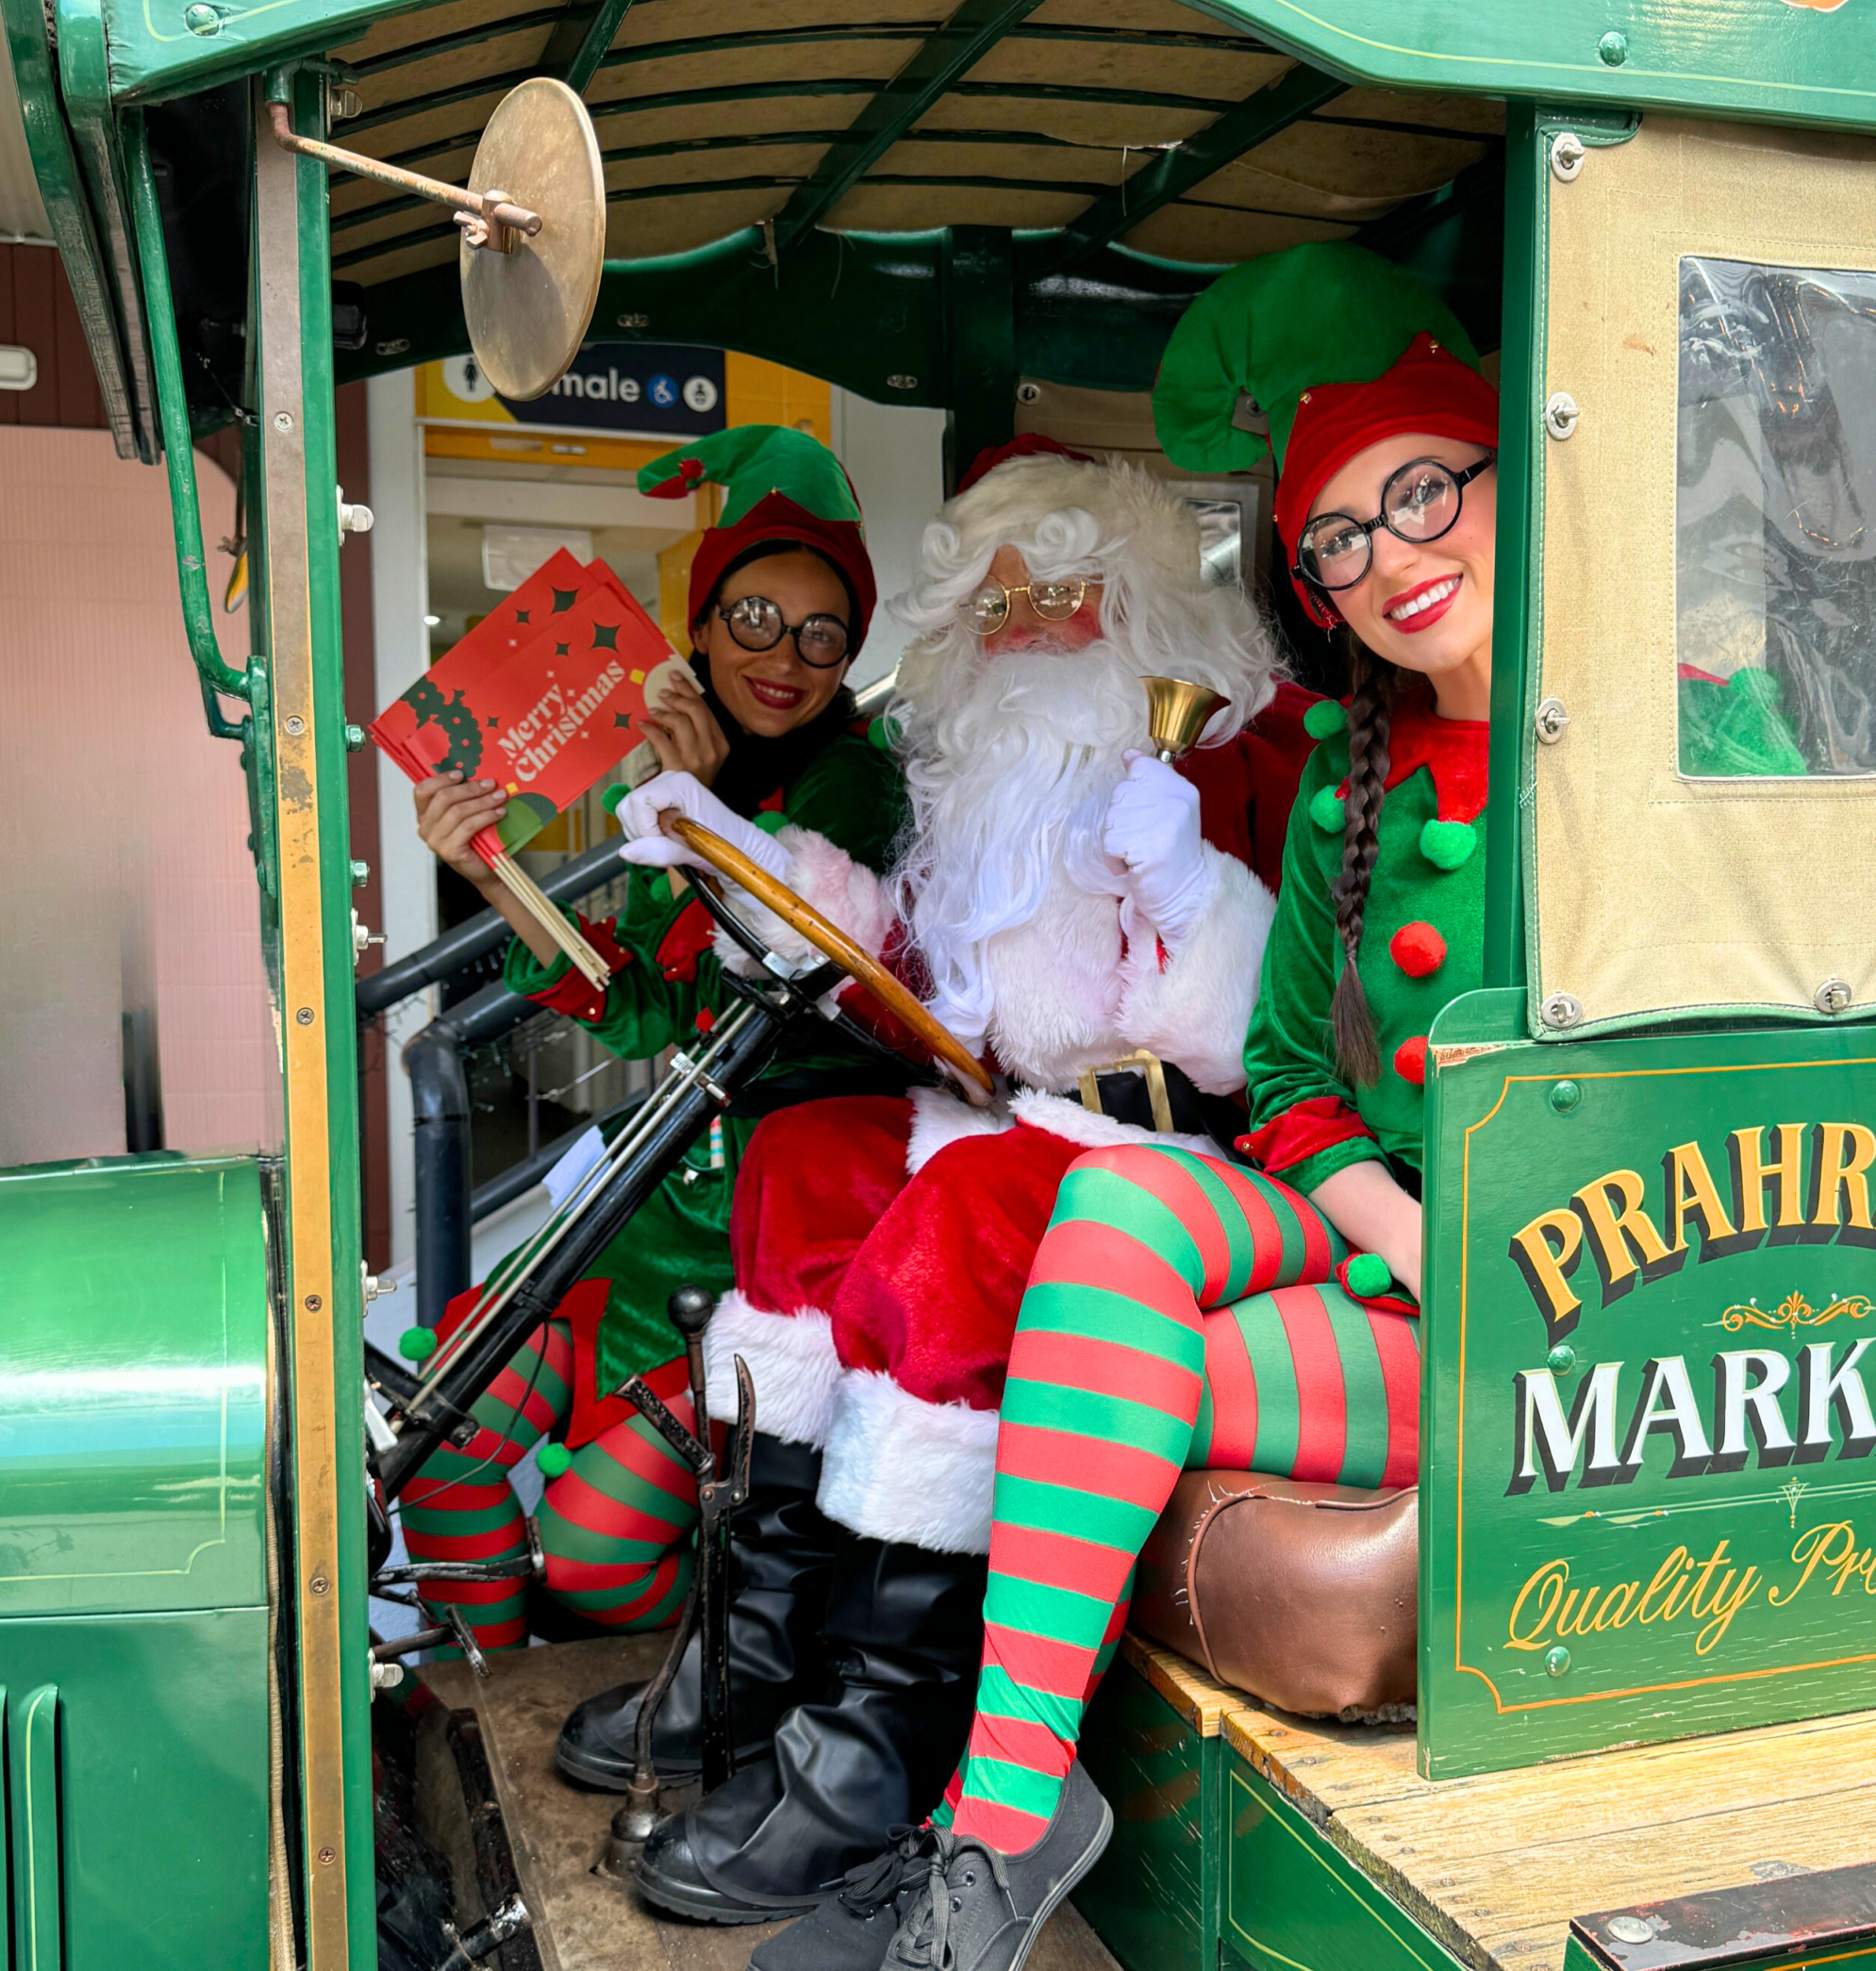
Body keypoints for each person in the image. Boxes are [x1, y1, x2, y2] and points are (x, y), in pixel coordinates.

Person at [769, 241, 1502, 1971]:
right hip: (1391, 1234)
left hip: (1580, 1280)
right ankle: (1002, 1827)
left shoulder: (1671, 736)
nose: (1386, 559)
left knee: (1088, 1330)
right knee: (1104, 1224)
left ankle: (983, 1829)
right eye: (1337, 535)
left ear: (1504, 473)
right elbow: (1309, 1082)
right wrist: (1389, 1221)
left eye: (1419, 497)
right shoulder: (1354, 767)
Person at [558, 446, 1318, 1922]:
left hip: (1153, 1150)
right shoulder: (975, 778)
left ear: (1140, 605)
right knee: (800, 1159)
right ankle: (759, 1663)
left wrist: (1186, 888)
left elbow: (1257, 1043)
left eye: (1067, 602)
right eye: (1002, 605)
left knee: (962, 1224)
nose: (1030, 635)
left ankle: (874, 1747)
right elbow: (903, 962)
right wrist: (735, 857)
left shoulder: (1223, 758)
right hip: (992, 1111)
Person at [394, 425, 907, 1652]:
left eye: (822, 633)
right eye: (753, 618)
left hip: (775, 1251)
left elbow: (801, 966)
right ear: (703, 619)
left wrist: (701, 810)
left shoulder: (852, 786)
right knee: (439, 1448)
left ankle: (679, 1718)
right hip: (647, 1217)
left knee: (590, 1542)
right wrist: (494, 869)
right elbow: (638, 1009)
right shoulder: (681, 774)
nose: (784, 657)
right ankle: (485, 1726)